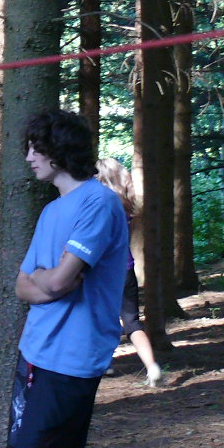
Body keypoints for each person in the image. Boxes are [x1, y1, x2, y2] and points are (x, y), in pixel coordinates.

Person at [0, 109, 128, 448]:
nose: (29, 158)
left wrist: (48, 282)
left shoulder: (99, 204)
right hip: (36, 347)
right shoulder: (52, 211)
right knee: (26, 446)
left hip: (74, 354)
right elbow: (24, 285)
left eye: (36, 149)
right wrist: (48, 282)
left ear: (60, 151)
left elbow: (59, 281)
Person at [95, 158, 164, 387]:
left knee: (98, 316)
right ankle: (152, 367)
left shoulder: (99, 204)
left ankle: (105, 362)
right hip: (125, 269)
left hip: (104, 271)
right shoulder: (125, 205)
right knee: (132, 322)